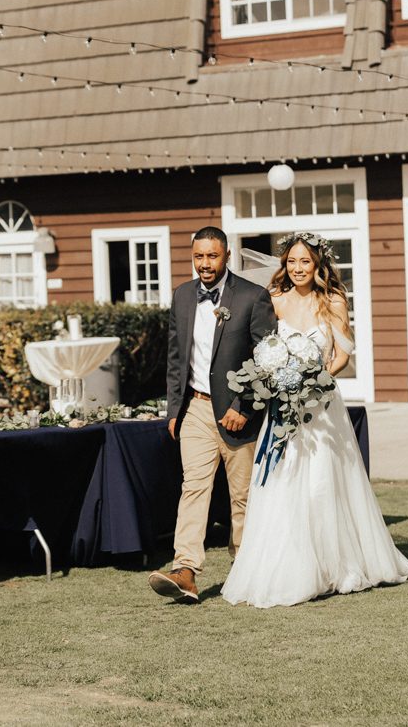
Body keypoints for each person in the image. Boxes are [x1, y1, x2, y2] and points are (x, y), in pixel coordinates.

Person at [221, 232, 408, 608]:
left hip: (323, 408)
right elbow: (263, 350)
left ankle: (334, 567)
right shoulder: (274, 300)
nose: (298, 269)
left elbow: (343, 353)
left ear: (318, 265)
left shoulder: (333, 300)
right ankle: (291, 567)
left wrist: (319, 379)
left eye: (305, 262)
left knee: (323, 485)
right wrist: (278, 381)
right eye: (292, 262)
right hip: (283, 407)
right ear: (284, 264)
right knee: (284, 484)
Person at [148, 226, 276, 603]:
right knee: (193, 488)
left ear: (226, 256)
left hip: (238, 414)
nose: (205, 264)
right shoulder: (182, 296)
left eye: (212, 256)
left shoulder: (253, 297)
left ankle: (246, 568)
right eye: (199, 256)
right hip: (196, 409)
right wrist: (175, 409)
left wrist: (246, 406)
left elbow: (267, 360)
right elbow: (176, 358)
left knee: (243, 497)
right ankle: (185, 569)